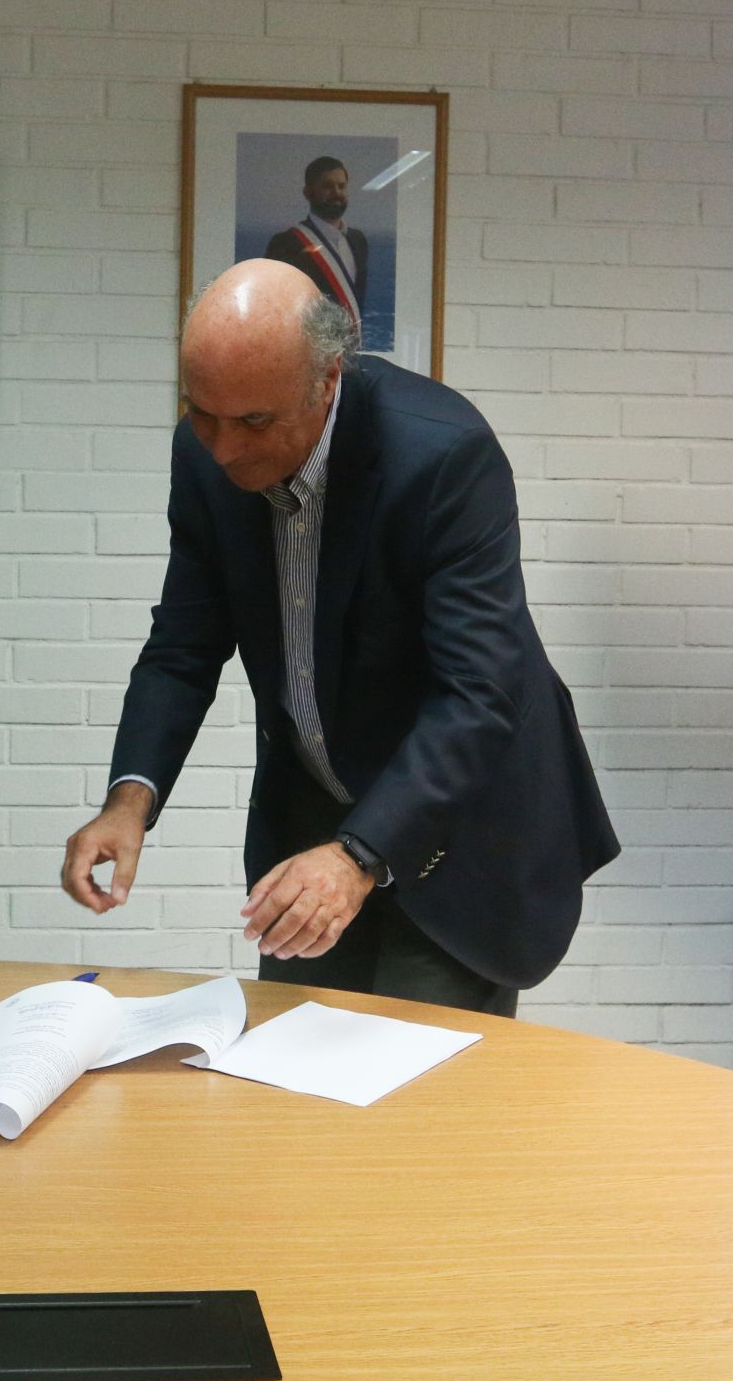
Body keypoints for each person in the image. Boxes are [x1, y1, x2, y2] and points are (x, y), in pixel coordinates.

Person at [59, 259, 616, 1014]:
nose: (223, 449)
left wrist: (359, 854)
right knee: (294, 1070)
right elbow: (183, 645)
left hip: (456, 823)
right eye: (202, 412)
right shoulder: (203, 455)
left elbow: (481, 692)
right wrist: (129, 800)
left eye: (254, 421)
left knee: (417, 1101)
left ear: (327, 382)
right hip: (316, 818)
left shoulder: (442, 456)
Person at [262, 155, 369, 323]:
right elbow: (273, 304)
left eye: (341, 186)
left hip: (349, 346)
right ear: (308, 192)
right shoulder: (285, 244)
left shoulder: (358, 241)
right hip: (306, 345)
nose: (336, 193)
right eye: (327, 186)